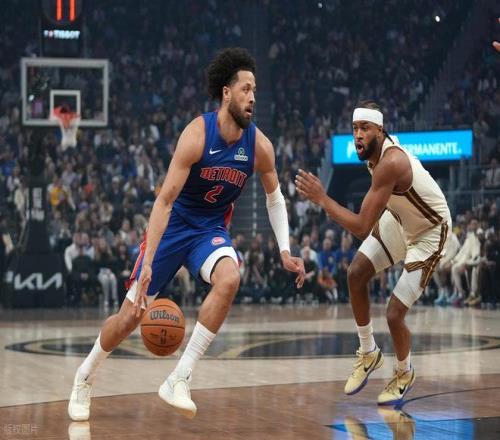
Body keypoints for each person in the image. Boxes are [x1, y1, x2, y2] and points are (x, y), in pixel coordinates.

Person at [68, 47, 304, 421]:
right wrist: (147, 262)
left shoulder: (260, 147)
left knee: (230, 278)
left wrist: (285, 249)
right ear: (226, 92)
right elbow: (164, 202)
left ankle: (180, 377)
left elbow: (274, 198)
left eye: (255, 90)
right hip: (174, 227)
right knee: (129, 317)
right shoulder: (196, 135)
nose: (252, 97)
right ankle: (85, 375)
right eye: (245, 89)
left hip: (209, 230)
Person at [296, 100, 451, 405]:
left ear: (380, 131)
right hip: (400, 219)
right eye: (355, 128)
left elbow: (361, 227)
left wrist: (322, 199)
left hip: (430, 231)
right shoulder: (374, 155)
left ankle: (404, 372)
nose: (358, 134)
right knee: (355, 274)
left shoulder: (390, 162)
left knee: (394, 314)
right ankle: (368, 352)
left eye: (365, 128)